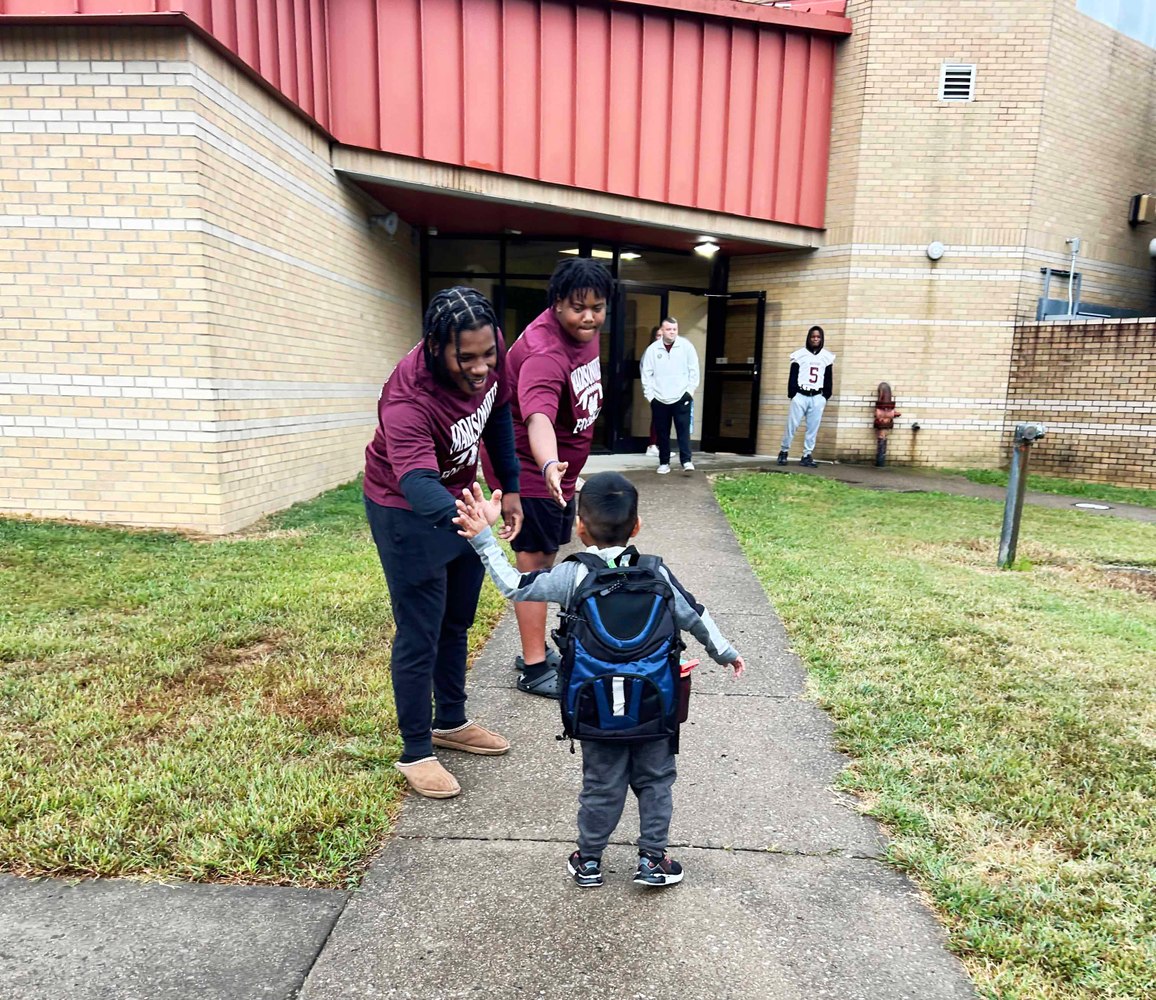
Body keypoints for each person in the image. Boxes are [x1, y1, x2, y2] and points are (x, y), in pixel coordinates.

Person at [453, 472, 745, 888]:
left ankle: (589, 861)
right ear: (638, 525)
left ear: (579, 527)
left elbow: (515, 586)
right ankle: (652, 860)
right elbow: (695, 616)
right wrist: (726, 653)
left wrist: (483, 537)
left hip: (595, 707)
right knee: (656, 780)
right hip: (654, 705)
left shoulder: (573, 575)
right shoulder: (656, 574)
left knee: (600, 785)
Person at [363, 287, 524, 800]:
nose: (480, 367)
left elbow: (498, 412)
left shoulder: (486, 345)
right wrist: (474, 518)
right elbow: (414, 482)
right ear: (435, 345)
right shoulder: (408, 398)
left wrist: (512, 487)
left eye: (487, 355)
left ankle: (450, 721)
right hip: (405, 511)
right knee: (420, 630)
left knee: (457, 620)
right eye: (467, 358)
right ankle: (416, 751)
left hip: (459, 500)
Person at [495, 256, 615, 699]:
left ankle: (535, 649)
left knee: (546, 556)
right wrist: (549, 465)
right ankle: (532, 665)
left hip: (557, 473)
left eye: (597, 308)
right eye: (577, 308)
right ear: (557, 304)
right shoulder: (545, 353)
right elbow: (538, 416)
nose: (588, 317)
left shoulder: (582, 331)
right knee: (533, 563)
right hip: (530, 470)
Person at [641, 316, 699, 474]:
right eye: (668, 329)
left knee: (683, 430)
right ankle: (664, 463)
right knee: (662, 433)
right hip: (659, 398)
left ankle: (686, 461)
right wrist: (650, 396)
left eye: (675, 329)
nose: (672, 332)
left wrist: (689, 392)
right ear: (662, 330)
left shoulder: (686, 346)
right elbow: (646, 374)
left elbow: (694, 370)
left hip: (681, 397)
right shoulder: (653, 350)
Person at [777, 324, 835, 468]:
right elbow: (793, 376)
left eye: (818, 337)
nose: (815, 339)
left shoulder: (826, 357)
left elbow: (828, 378)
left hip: (816, 396)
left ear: (821, 339)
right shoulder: (799, 354)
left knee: (812, 428)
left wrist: (825, 396)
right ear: (808, 338)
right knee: (792, 425)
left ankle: (806, 455)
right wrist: (793, 394)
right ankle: (784, 451)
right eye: (813, 336)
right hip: (801, 394)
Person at [644, 325, 662, 458]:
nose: (661, 338)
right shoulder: (651, 352)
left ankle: (658, 445)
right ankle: (652, 445)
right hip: (656, 389)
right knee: (657, 417)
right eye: (658, 335)